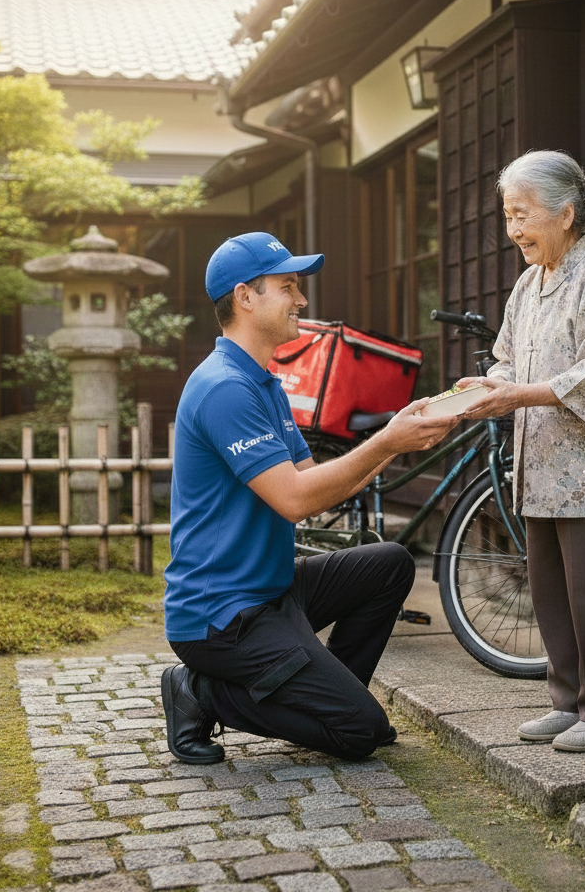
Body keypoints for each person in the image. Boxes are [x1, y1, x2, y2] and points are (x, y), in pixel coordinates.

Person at [161, 231, 459, 763]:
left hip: (271, 591)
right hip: (222, 617)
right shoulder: (225, 388)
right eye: (288, 287)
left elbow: (316, 486)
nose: (301, 300)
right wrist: (387, 441)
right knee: (361, 734)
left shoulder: (263, 383)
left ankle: (329, 695)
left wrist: (396, 438)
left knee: (389, 564)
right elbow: (295, 501)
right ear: (245, 296)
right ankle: (198, 691)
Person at [459, 150, 585, 753]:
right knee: (550, 594)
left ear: (566, 214)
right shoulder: (529, 283)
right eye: (508, 216)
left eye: (522, 214)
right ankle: (568, 702)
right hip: (542, 466)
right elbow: (508, 359)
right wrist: (487, 388)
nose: (513, 229)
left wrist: (515, 394)